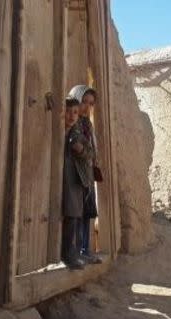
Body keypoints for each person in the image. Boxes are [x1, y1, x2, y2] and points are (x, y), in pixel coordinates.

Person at [68, 85, 102, 264]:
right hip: (76, 174)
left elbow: (88, 148)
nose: (87, 107)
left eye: (91, 103)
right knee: (76, 213)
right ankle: (76, 251)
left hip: (87, 174)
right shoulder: (73, 122)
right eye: (84, 102)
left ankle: (85, 249)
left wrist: (92, 156)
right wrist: (87, 153)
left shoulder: (87, 123)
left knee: (88, 212)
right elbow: (78, 148)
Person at [62, 97, 93, 269]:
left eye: (74, 112)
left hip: (73, 181)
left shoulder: (77, 134)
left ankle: (69, 254)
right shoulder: (57, 131)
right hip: (58, 181)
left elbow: (90, 152)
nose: (71, 116)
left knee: (72, 216)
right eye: (68, 112)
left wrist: (81, 150)